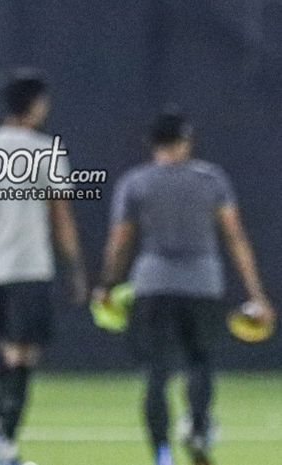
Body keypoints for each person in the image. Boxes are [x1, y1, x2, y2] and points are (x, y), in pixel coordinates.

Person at [93, 111, 276, 465]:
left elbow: (119, 242)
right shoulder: (211, 179)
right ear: (186, 139)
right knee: (201, 363)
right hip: (202, 285)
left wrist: (107, 283)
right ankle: (197, 427)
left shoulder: (137, 181)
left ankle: (162, 454)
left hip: (152, 285)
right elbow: (235, 237)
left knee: (156, 373)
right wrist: (256, 293)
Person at [0, 70, 88, 465]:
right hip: (29, 267)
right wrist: (76, 268)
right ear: (34, 105)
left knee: (7, 349)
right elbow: (60, 215)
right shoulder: (43, 149)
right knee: (24, 355)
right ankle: (5, 440)